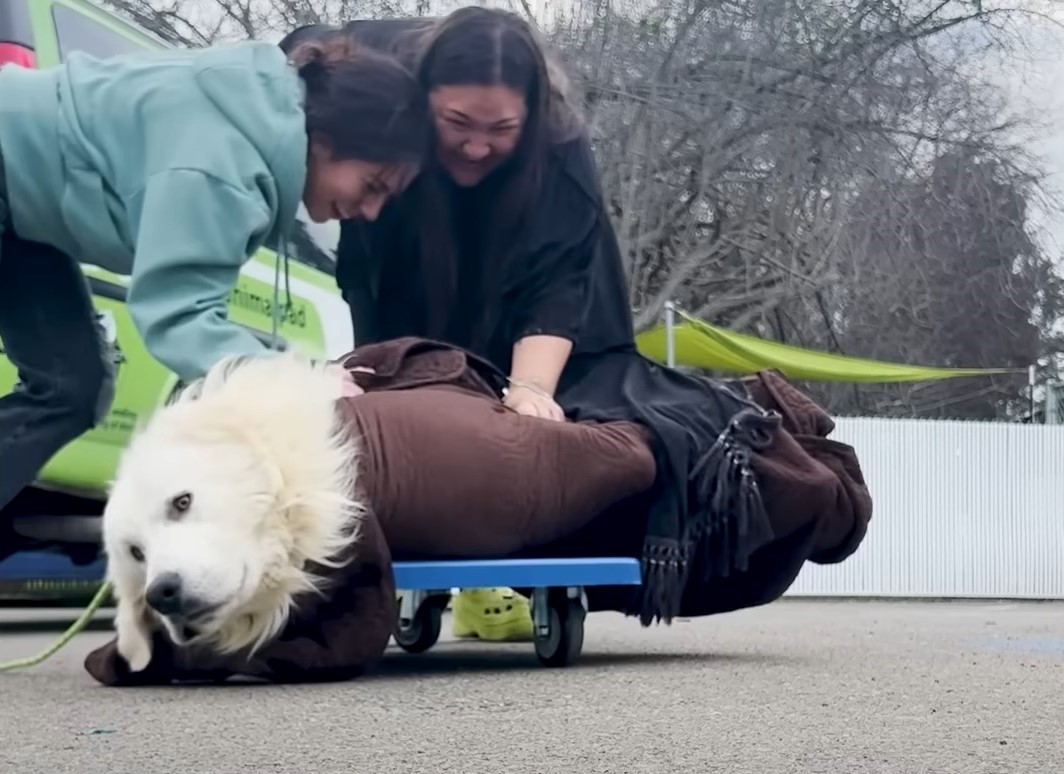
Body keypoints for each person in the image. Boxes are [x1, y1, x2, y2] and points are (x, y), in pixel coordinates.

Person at [284, 8, 783, 637]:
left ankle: (500, 572)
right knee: (400, 405)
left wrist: (530, 393)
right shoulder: (378, 65)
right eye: (457, 122)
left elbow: (554, 289)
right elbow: (291, 63)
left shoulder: (561, 145)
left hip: (537, 286)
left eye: (501, 128)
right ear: (419, 97)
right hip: (403, 261)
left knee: (536, 413)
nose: (474, 145)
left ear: (533, 117)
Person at [0, 36, 430, 516]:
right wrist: (299, 386)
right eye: (372, 186)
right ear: (326, 141)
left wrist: (303, 373)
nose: (369, 211)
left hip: (23, 220)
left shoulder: (255, 121)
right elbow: (180, 320)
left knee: (70, 388)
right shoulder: (223, 164)